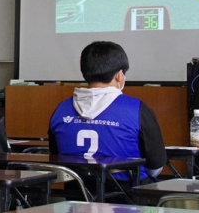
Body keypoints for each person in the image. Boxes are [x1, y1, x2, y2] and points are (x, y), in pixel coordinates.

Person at [48, 41, 166, 182]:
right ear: (119, 76)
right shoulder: (137, 109)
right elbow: (156, 166)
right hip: (129, 198)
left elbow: (55, 156)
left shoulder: (61, 109)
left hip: (77, 197)